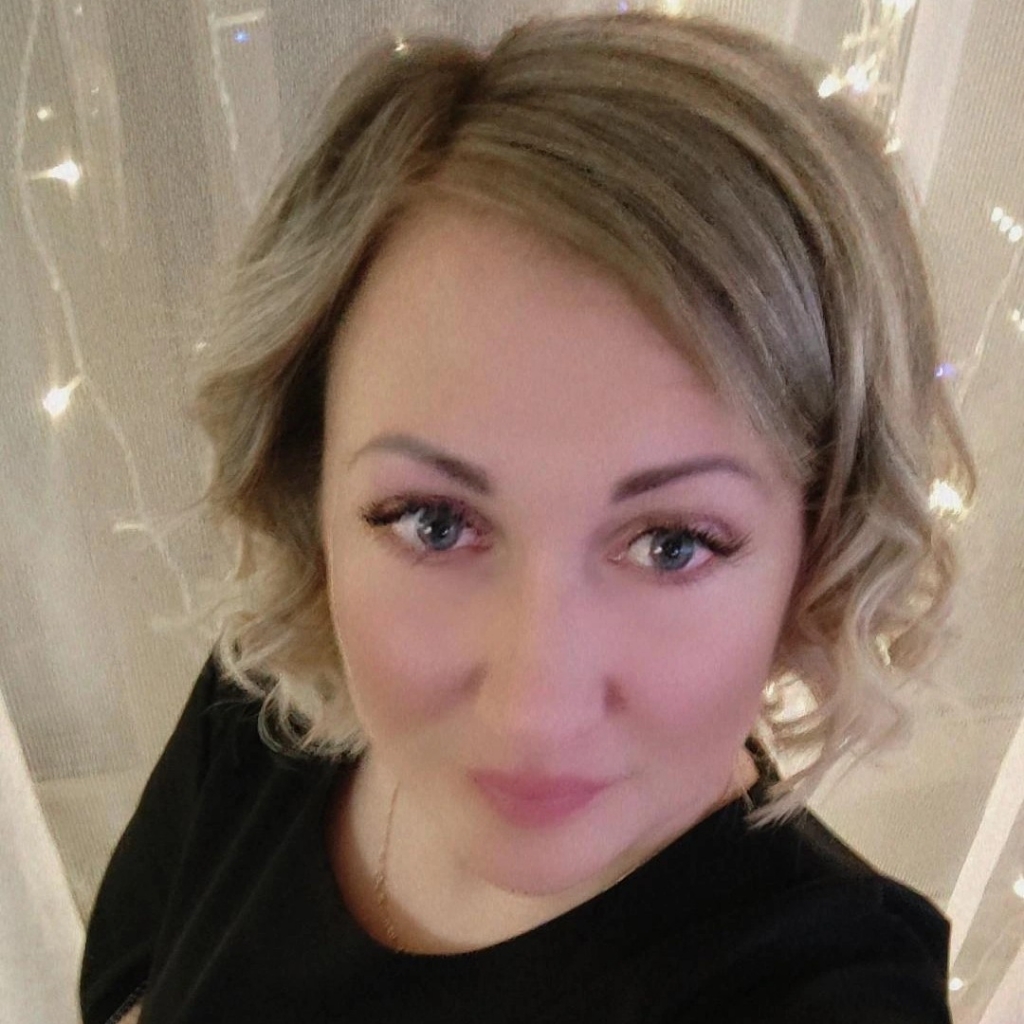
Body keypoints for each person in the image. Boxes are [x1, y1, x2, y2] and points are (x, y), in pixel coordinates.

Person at [79, 9, 975, 1023]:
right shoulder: (258, 700)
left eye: (671, 544)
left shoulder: (832, 988)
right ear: (307, 490)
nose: (533, 711)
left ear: (820, 549)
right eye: (431, 522)